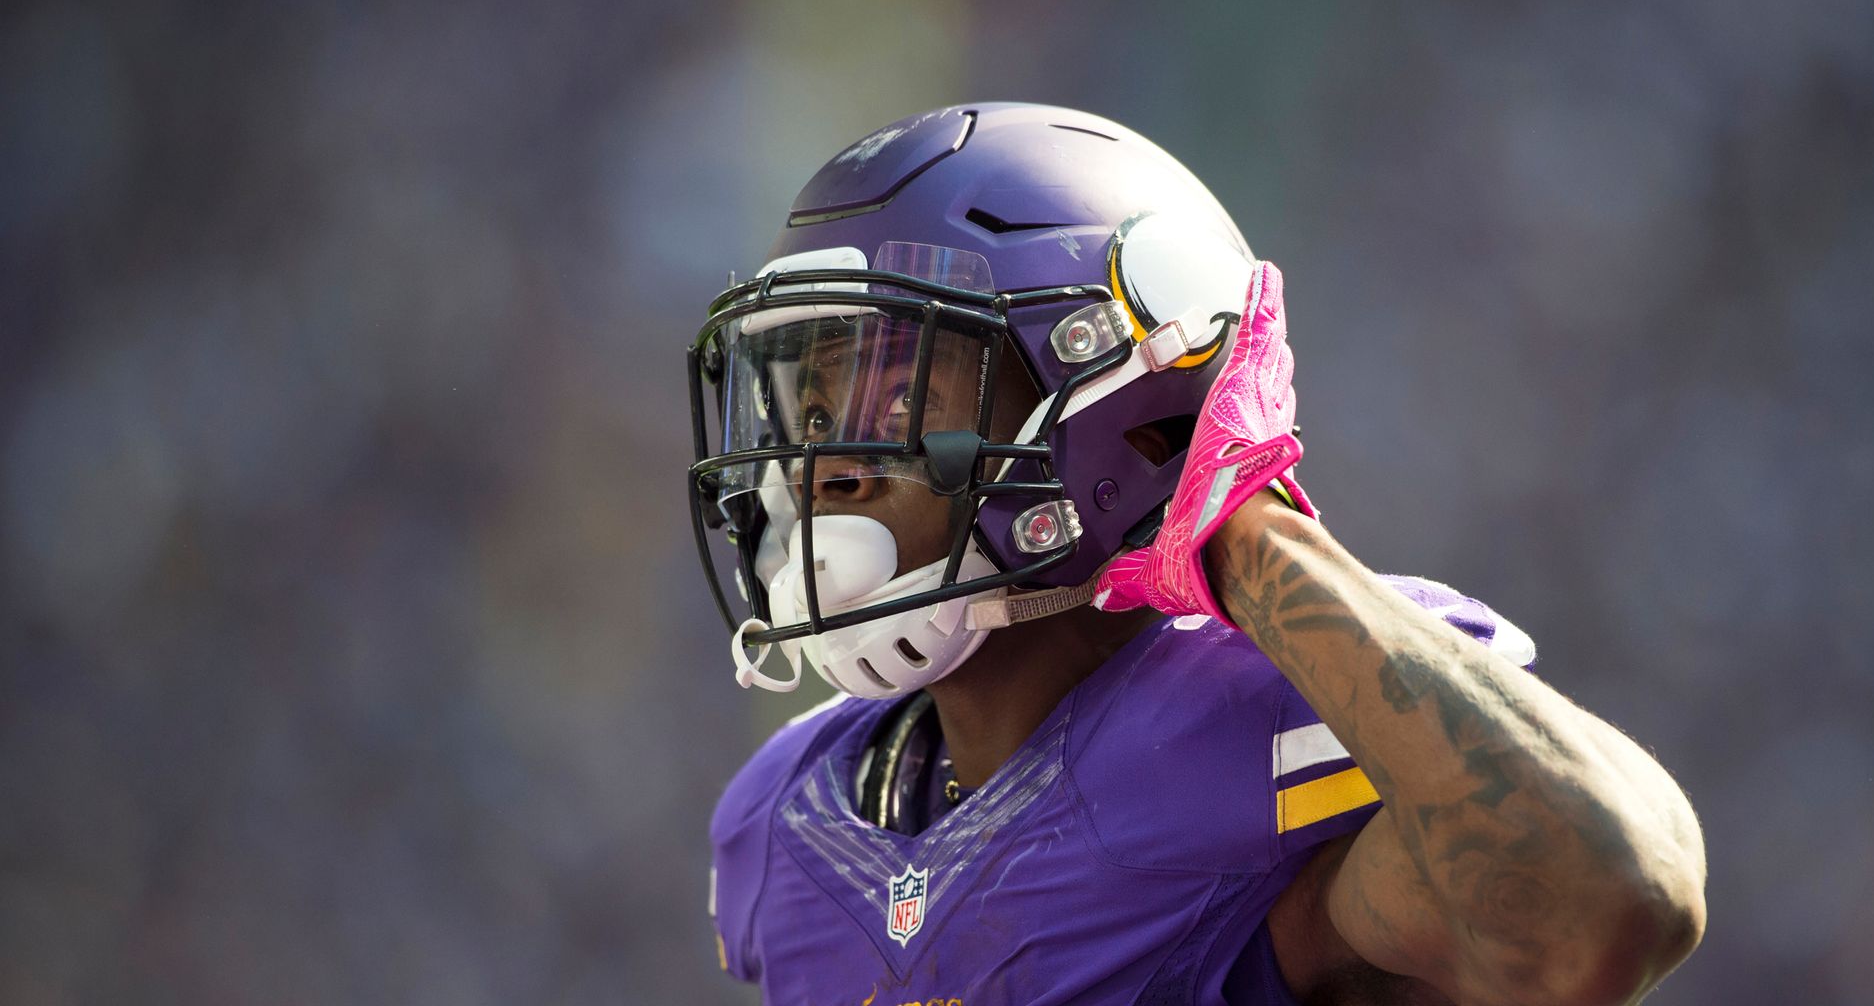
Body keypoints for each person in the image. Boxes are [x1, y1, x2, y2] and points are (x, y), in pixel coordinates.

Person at [695, 103, 1706, 1005]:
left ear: (1121, 396)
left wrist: (1247, 527)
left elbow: (1606, 905)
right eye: (812, 407)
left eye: (895, 394)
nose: (815, 465)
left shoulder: (1256, 729)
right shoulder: (788, 823)